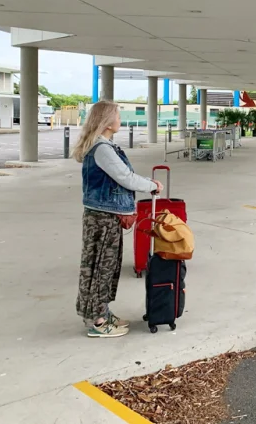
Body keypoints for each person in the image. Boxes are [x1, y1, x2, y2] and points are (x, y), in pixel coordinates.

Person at [72, 100, 163, 338]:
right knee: (101, 267)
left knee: (105, 267)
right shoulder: (102, 149)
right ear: (107, 120)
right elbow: (125, 177)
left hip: (104, 215)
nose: (120, 120)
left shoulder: (103, 145)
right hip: (102, 218)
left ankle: (101, 312)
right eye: (118, 116)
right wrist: (152, 185)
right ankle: (99, 322)